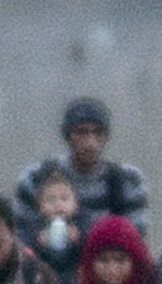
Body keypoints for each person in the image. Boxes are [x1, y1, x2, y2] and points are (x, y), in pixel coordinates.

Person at [14, 97, 148, 237]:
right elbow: (21, 239)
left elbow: (135, 243)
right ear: (67, 136)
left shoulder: (127, 181)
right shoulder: (35, 178)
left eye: (98, 132)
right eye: (81, 132)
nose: (90, 142)